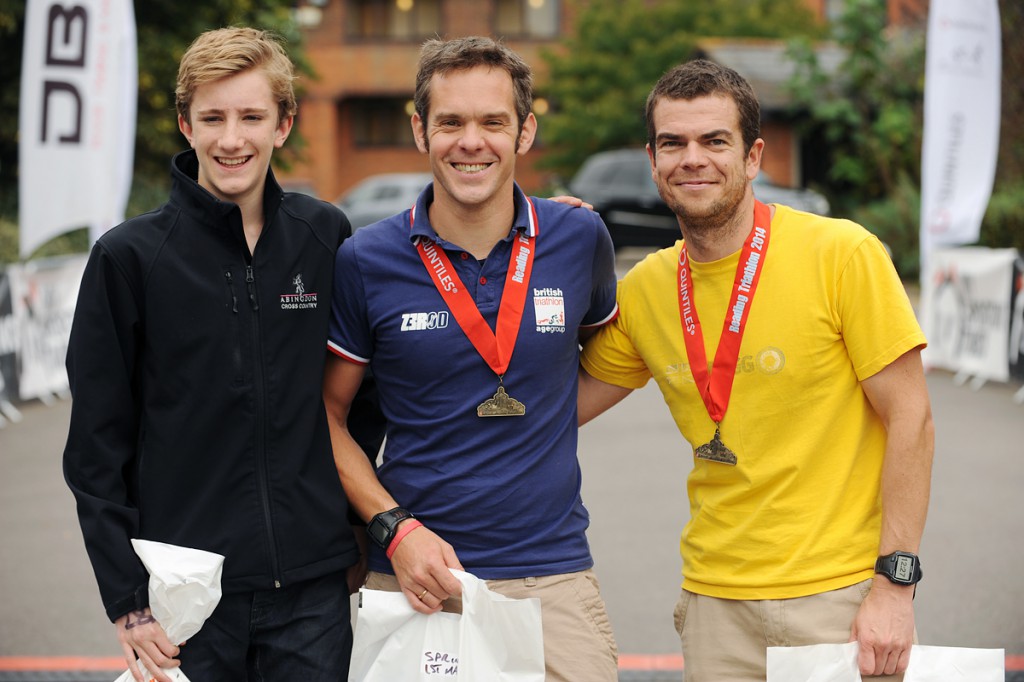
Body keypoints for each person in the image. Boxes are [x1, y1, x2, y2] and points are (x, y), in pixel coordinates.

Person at [578, 59, 934, 681]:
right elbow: (560, 404)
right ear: (652, 158)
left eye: (715, 140)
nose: (693, 158)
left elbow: (912, 417)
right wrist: (540, 240)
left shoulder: (842, 253)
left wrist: (895, 585)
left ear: (753, 156)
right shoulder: (645, 289)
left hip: (840, 596)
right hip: (714, 601)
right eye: (673, 143)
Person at [62, 27, 384, 682]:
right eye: (212, 117)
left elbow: (362, 395)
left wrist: (352, 531)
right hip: (185, 597)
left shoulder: (324, 235)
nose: (231, 139)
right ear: (186, 123)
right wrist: (128, 600)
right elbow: (97, 445)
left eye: (251, 117)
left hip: (312, 588)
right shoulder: (129, 258)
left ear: (284, 123)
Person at [322, 36, 620, 682]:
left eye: (493, 122)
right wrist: (393, 530)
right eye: (451, 122)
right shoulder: (366, 260)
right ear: (420, 129)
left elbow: (612, 358)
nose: (471, 141)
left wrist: (545, 417)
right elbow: (325, 416)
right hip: (416, 575)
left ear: (525, 131)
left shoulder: (578, 238)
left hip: (553, 577)